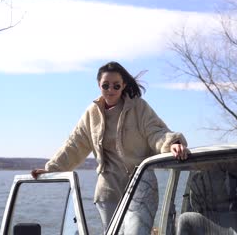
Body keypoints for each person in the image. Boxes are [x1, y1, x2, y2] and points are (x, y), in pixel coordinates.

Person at [31, 61, 189, 232]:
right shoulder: (92, 113)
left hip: (141, 186)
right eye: (105, 86)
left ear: (124, 85)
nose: (111, 90)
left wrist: (172, 144)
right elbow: (75, 144)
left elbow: (156, 132)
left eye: (116, 85)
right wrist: (51, 169)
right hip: (108, 190)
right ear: (99, 85)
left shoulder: (139, 107)